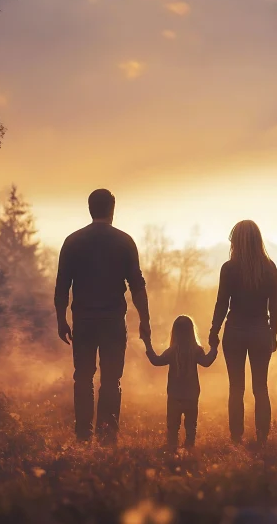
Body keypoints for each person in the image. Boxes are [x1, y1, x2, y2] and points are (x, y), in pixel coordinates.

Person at [54, 189, 151, 444]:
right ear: (112, 209)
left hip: (83, 321)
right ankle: (107, 436)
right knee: (111, 380)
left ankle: (83, 435)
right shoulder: (124, 241)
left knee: (82, 378)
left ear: (90, 208)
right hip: (113, 322)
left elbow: (62, 285)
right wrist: (145, 319)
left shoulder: (72, 241)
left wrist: (60, 319)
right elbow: (137, 285)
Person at [209, 220, 277, 448]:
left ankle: (236, 438)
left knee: (236, 388)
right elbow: (274, 307)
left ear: (236, 241)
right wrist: (273, 334)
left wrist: (214, 330)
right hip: (261, 331)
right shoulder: (269, 267)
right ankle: (262, 438)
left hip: (235, 331)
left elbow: (222, 303)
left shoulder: (229, 268)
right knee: (261, 388)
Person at [145, 315, 217, 452]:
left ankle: (172, 449)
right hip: (191, 394)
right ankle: (189, 451)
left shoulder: (172, 351)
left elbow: (156, 361)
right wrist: (214, 348)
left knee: (173, 427)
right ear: (191, 332)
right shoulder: (196, 351)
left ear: (174, 332)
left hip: (174, 394)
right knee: (191, 426)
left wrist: (148, 343)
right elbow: (207, 362)